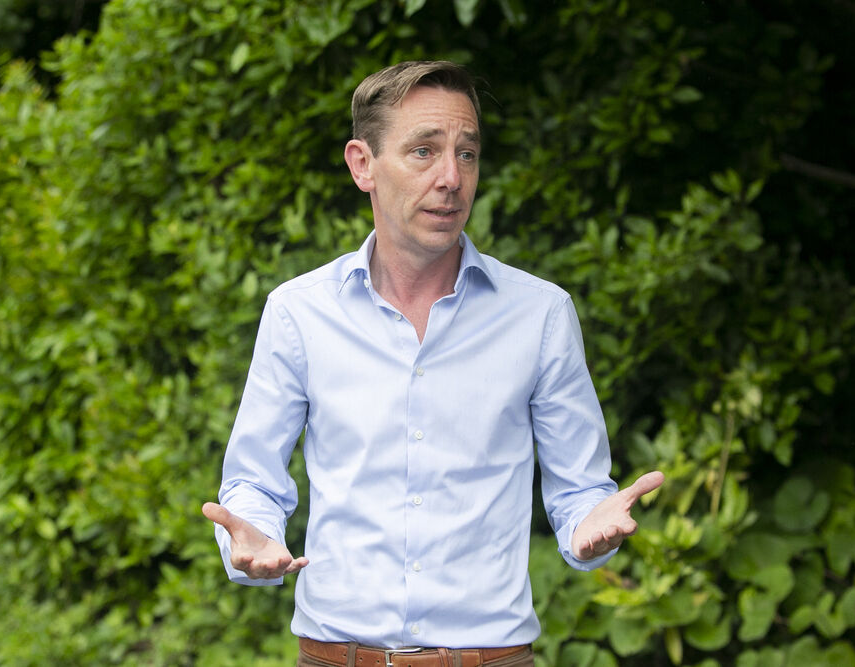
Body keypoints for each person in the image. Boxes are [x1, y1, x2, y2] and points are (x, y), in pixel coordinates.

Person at [202, 60, 664, 667]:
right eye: (424, 151)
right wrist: (254, 537)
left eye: (467, 154)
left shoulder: (541, 314)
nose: (451, 178)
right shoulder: (298, 312)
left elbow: (580, 492)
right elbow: (254, 482)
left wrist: (588, 528)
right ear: (362, 165)